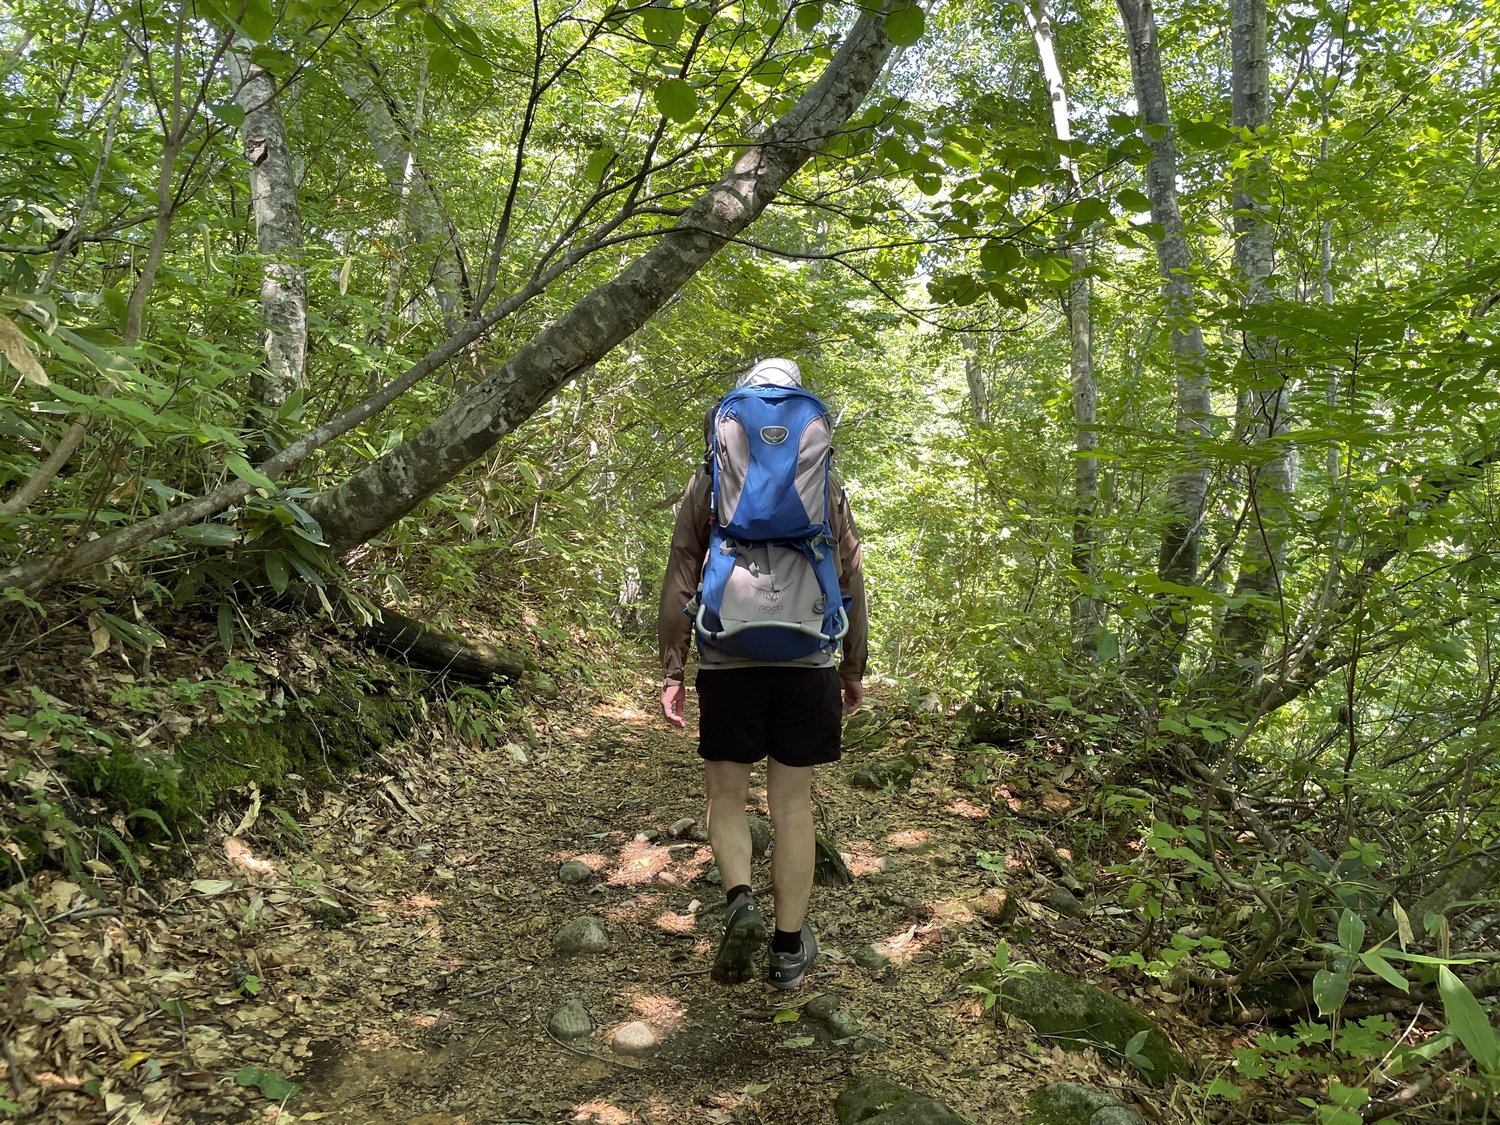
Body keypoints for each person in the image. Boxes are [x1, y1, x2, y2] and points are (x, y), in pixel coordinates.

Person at [658, 358, 868, 988]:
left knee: (726, 797)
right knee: (792, 804)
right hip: (807, 656)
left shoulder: (709, 480)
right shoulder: (826, 485)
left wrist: (672, 670)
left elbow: (680, 575)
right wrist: (853, 665)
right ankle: (786, 948)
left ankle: (739, 901)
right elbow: (854, 576)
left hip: (728, 654)